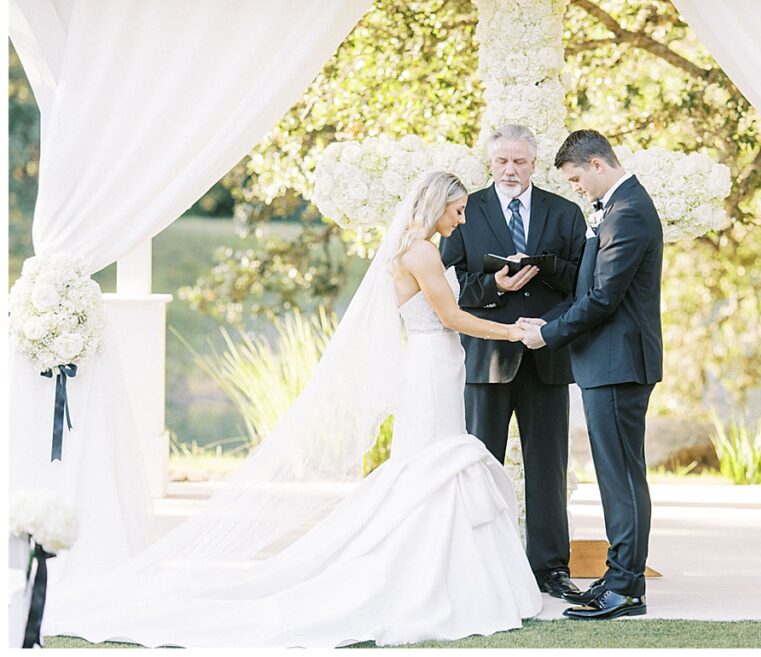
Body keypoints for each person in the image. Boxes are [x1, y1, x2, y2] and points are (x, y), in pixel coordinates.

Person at [44, 171, 542, 648]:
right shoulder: (423, 253)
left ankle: (439, 576)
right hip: (433, 367)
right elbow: (450, 315)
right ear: (438, 204)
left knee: (427, 469)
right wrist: (514, 330)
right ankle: (428, 583)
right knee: (433, 470)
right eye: (456, 210)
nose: (461, 219)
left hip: (433, 364)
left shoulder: (406, 249)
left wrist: (496, 290)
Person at [519, 130, 664, 620]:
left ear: (599, 164)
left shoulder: (628, 213)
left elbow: (604, 298)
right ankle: (620, 575)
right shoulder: (618, 209)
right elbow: (590, 289)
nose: (579, 188)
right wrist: (550, 320)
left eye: (578, 179)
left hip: (619, 364)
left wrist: (549, 335)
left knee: (621, 478)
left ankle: (625, 588)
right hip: (607, 363)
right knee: (616, 476)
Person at [440, 124, 588, 601]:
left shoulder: (564, 213)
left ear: (534, 164)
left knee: (549, 467)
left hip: (547, 357)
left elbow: (582, 285)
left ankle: (550, 570)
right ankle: (478, 564)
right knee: (481, 464)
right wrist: (494, 288)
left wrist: (547, 274)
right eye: (502, 160)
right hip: (486, 359)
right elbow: (447, 284)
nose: (510, 169)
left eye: (519, 161)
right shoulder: (467, 213)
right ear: (490, 162)